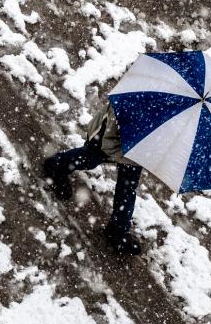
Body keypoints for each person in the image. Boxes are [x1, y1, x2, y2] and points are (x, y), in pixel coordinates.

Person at [43, 104, 143, 255]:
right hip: (114, 125)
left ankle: (118, 231)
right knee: (91, 156)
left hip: (142, 140)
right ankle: (56, 165)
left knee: (128, 185)